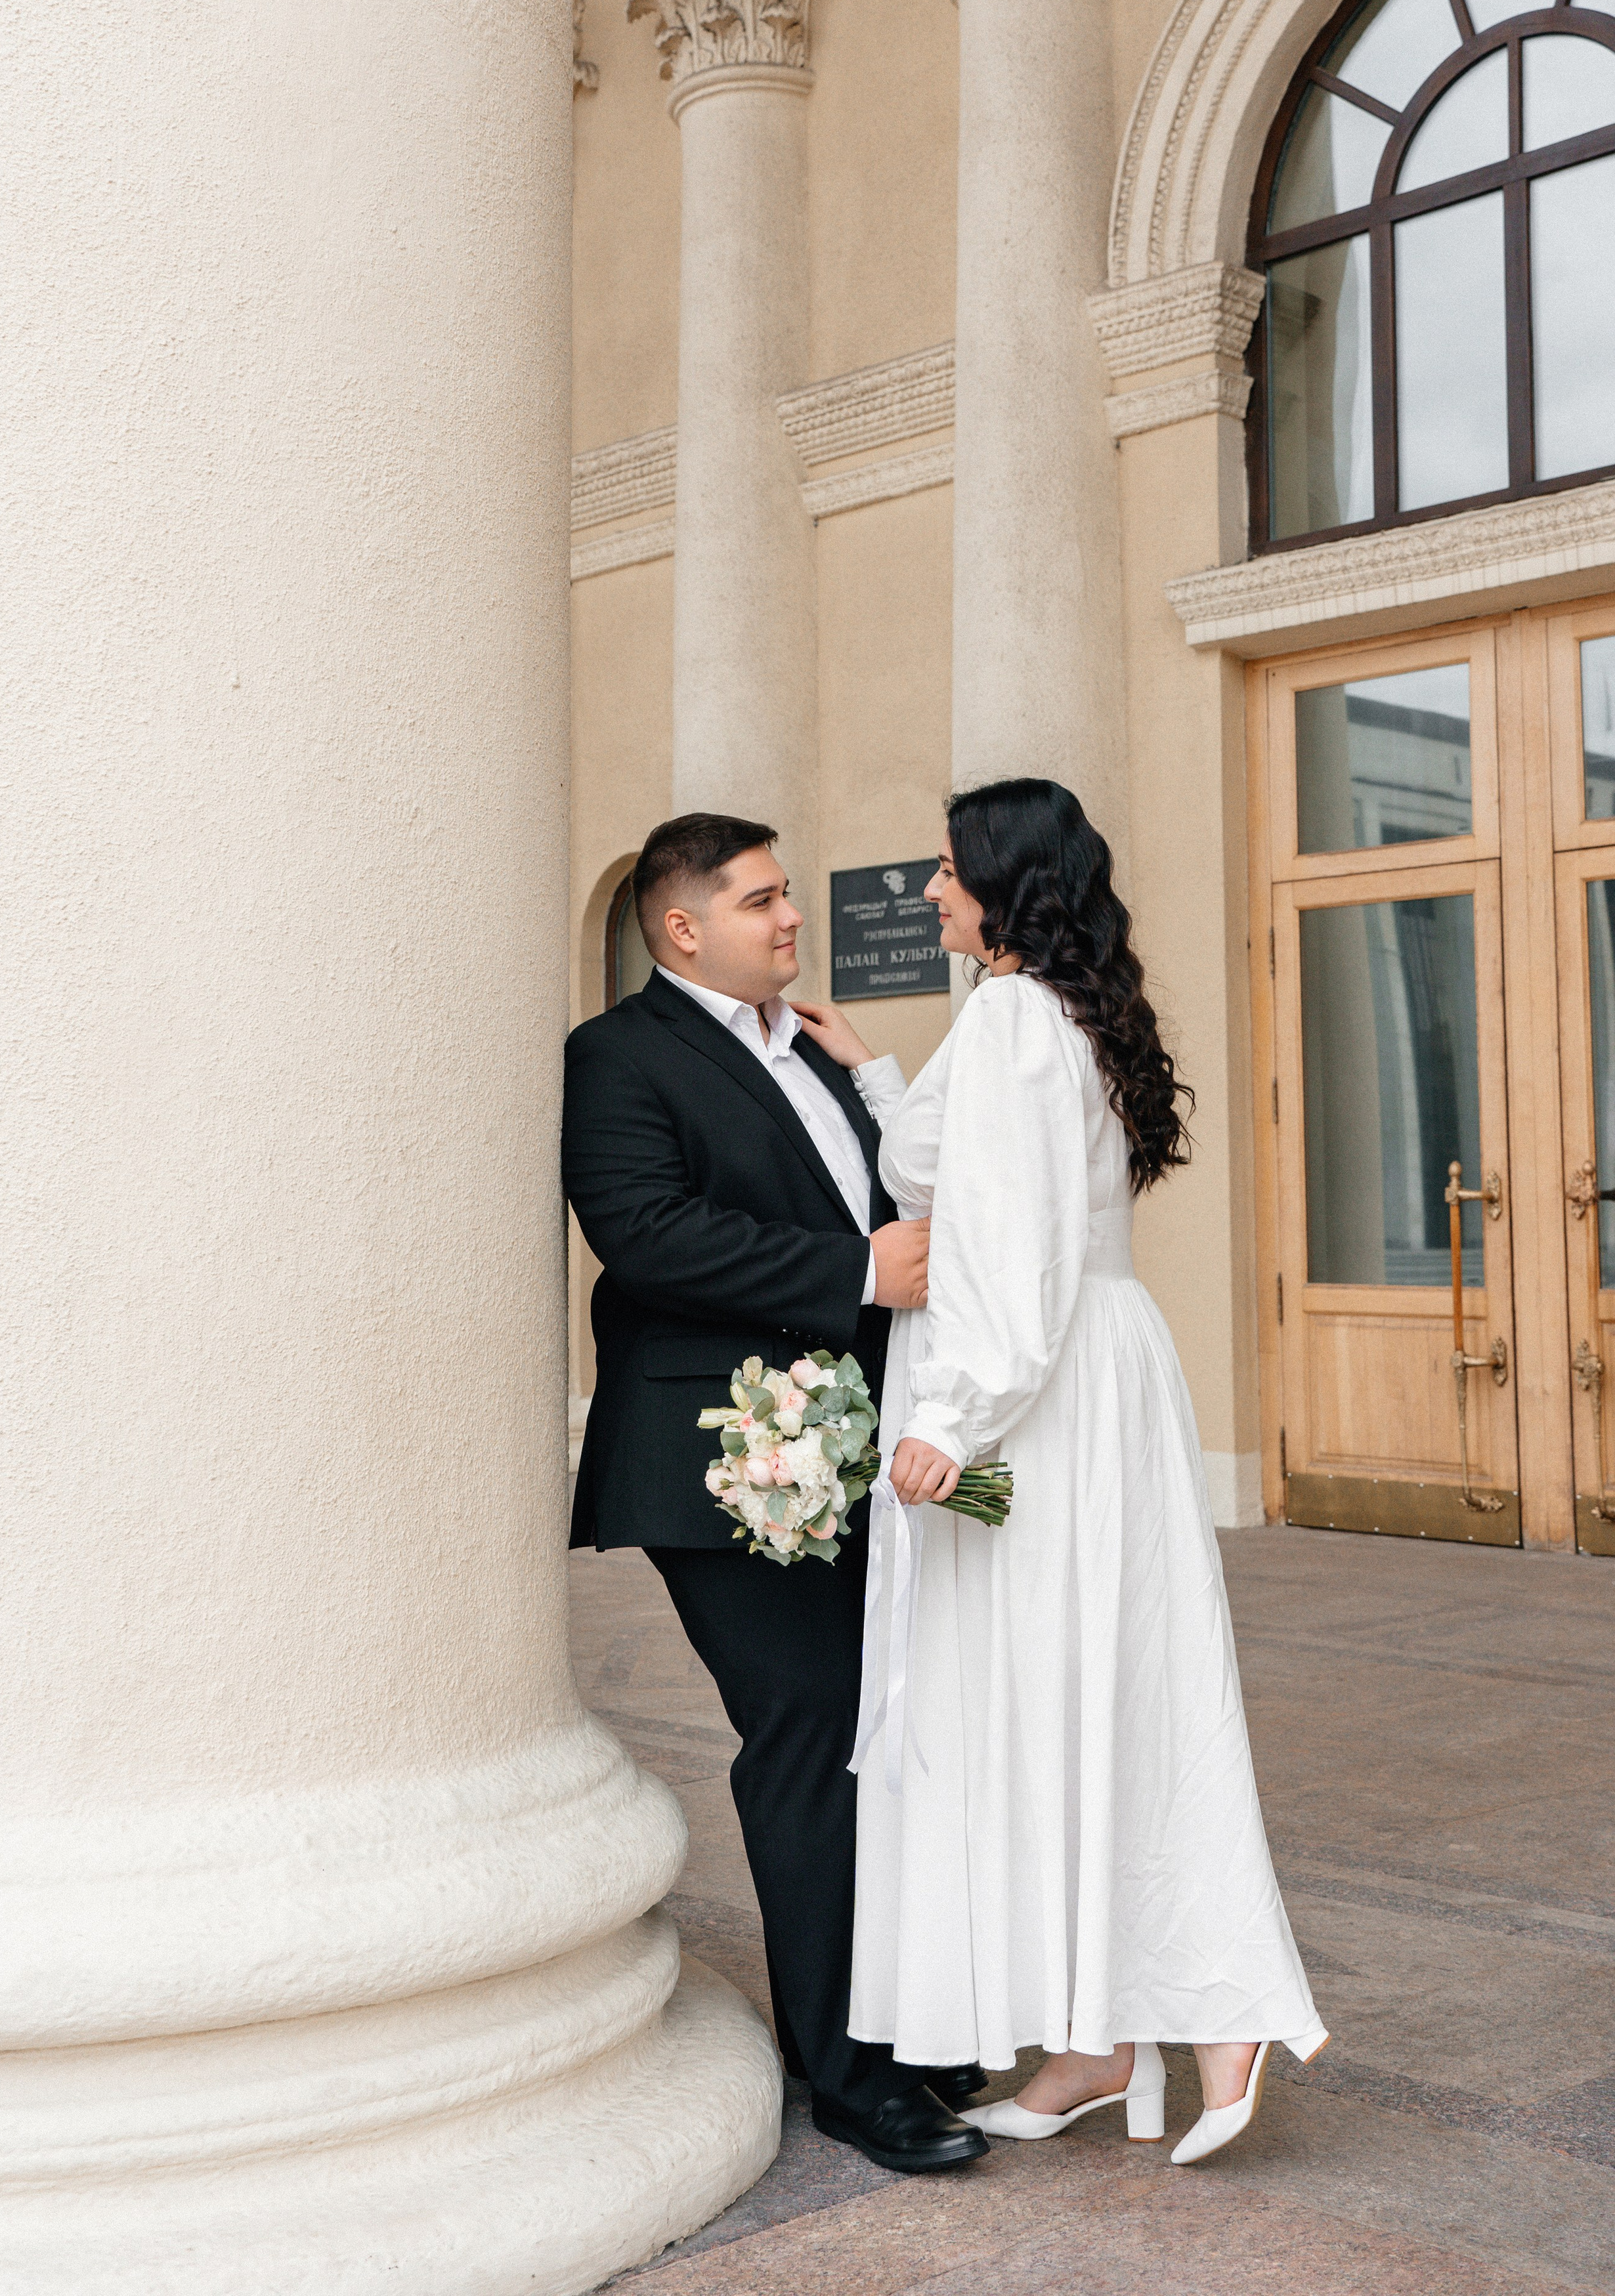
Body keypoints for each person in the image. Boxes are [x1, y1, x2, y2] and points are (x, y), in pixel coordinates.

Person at [811, 778, 1326, 2167]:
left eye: (944, 868)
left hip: (1031, 1397)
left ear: (1002, 881)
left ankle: (1212, 2006)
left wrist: (953, 1420)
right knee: (1091, 1700)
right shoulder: (1063, 1015)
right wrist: (865, 1063)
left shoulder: (1015, 1023)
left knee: (1068, 1704)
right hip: (1091, 1377)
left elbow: (1014, 1250)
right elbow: (930, 1163)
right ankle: (1098, 2038)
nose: (925, 889)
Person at [563, 811, 989, 2174]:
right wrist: (859, 1274)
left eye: (789, 893)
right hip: (716, 1459)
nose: (790, 916)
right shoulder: (618, 1056)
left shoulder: (810, 1043)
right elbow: (643, 1234)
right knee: (807, 1731)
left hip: (859, 1447)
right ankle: (849, 2073)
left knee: (887, 1726)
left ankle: (890, 2019)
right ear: (681, 927)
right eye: (760, 900)